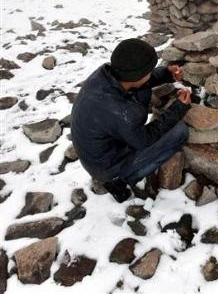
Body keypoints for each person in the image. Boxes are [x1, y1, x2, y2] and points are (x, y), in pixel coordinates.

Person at [71, 37, 192, 203]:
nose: (150, 73)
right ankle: (120, 181)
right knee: (179, 132)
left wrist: (166, 74)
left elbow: (139, 81)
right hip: (106, 166)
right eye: (149, 71)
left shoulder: (106, 75)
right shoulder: (120, 110)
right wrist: (179, 108)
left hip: (99, 149)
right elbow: (144, 140)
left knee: (141, 91)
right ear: (137, 75)